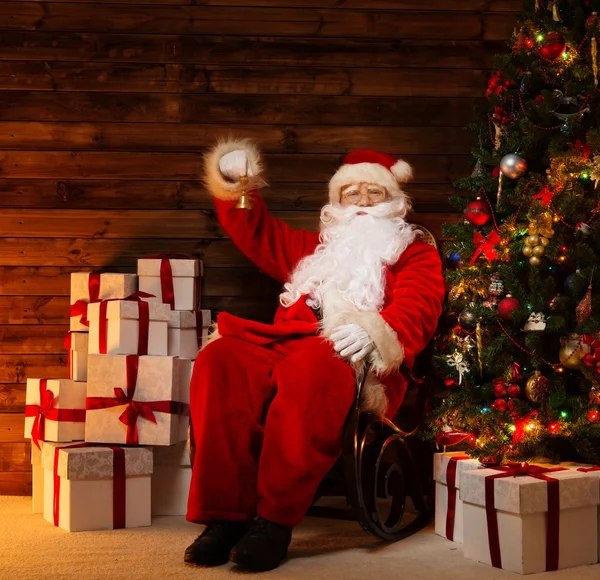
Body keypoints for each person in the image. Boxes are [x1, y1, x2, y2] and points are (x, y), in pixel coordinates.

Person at [184, 138, 445, 571]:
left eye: (373, 192)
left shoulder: (413, 252)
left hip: (357, 364)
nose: (362, 202)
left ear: (393, 201)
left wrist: (376, 333)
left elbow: (420, 306)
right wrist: (238, 186)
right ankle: (225, 518)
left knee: (313, 367)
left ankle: (273, 522)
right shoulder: (312, 251)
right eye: (351, 193)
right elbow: (256, 232)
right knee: (220, 360)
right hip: (286, 344)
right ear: (335, 203)